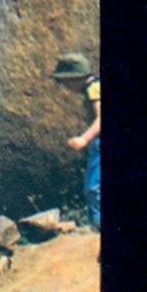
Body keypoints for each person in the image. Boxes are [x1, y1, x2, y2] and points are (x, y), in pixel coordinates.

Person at [51, 52, 100, 231]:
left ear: (74, 78)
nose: (65, 86)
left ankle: (98, 231)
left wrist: (84, 139)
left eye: (64, 82)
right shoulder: (95, 86)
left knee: (94, 188)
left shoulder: (93, 89)